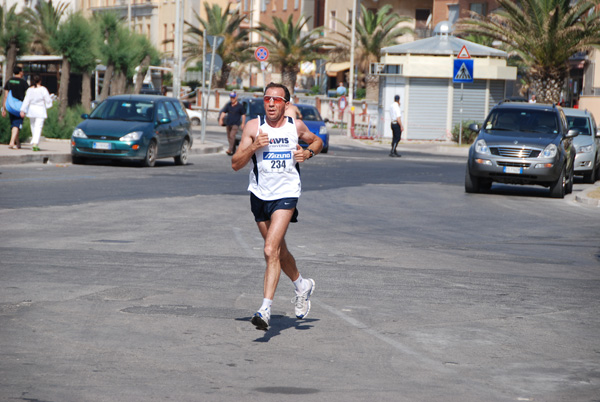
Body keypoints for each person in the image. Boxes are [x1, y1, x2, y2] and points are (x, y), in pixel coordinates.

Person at [231, 82, 323, 331]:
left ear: (286, 104)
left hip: (287, 195)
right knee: (278, 251)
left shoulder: (296, 127)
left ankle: (265, 309)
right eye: (267, 98)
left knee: (270, 248)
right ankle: (301, 284)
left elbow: (317, 142)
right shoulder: (253, 127)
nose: (271, 103)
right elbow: (235, 163)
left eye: (277, 99)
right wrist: (253, 146)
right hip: (259, 196)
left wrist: (308, 154)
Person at [20, 75, 53, 151]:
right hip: (40, 109)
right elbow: (48, 100)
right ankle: (35, 143)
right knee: (38, 126)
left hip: (31, 109)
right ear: (40, 81)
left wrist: (23, 110)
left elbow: (26, 100)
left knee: (33, 126)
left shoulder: (29, 90)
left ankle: (34, 141)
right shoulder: (43, 89)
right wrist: (49, 104)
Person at [2, 66, 29, 150]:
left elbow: (6, 96)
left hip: (10, 106)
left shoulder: (9, 81)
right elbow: (28, 95)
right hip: (19, 107)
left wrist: (4, 108)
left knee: (14, 124)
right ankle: (12, 141)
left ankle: (18, 143)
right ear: (20, 72)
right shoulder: (24, 82)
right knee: (17, 124)